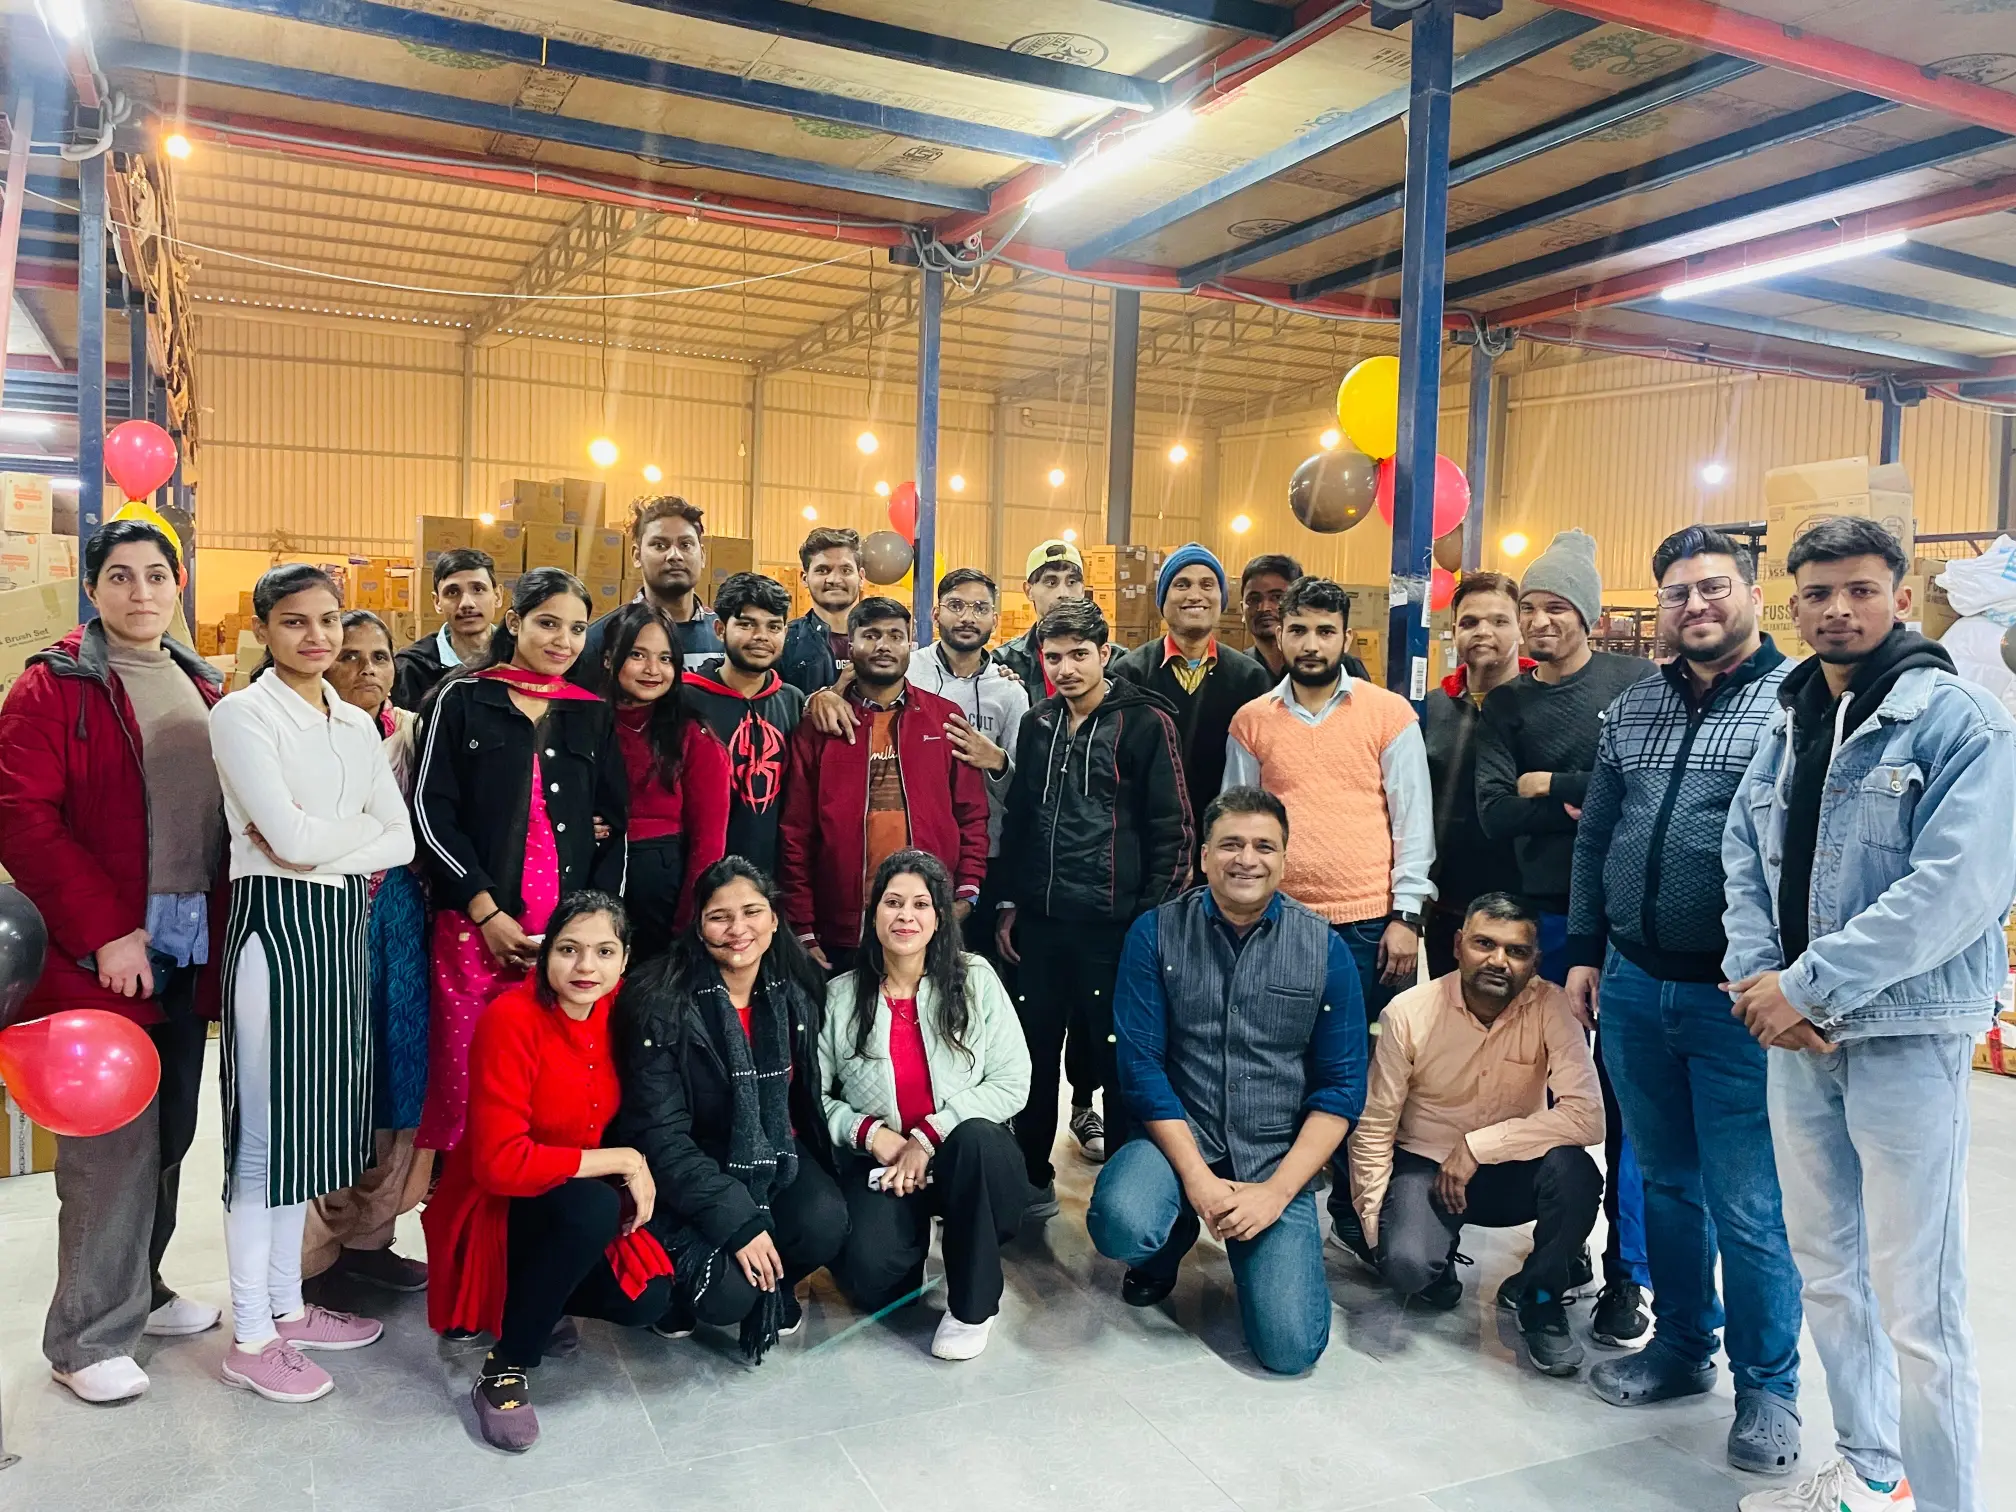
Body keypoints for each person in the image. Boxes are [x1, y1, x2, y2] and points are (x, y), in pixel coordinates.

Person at [1723, 515, 2016, 1512]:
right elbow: (1743, 854)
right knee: (1827, 1270)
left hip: (1903, 1036)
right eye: (1818, 593)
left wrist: (1805, 987)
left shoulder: (1962, 723)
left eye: (1859, 589)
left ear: (1899, 593)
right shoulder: (1788, 716)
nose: (1838, 609)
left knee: (1918, 1301)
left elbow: (1953, 892)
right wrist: (1761, 982)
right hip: (1794, 1041)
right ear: (1792, 603)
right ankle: (1870, 1470)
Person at [1564, 527, 1804, 1475]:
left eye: (1712, 588)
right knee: (1665, 1182)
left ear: (1752, 593)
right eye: (1676, 593)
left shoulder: (1797, 704)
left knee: (1747, 1202)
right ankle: (1680, 1347)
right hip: (1632, 982)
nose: (1694, 606)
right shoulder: (1634, 707)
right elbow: (1597, 837)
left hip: (1739, 997)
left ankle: (1769, 1390)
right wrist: (1586, 951)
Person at [0, 520, 227, 1404]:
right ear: (91, 589)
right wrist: (105, 933)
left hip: (187, 943)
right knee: (110, 1147)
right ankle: (85, 1337)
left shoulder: (199, 680)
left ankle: (145, 1288)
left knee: (171, 1132)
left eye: (157, 575)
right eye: (121, 576)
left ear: (178, 585)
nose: (141, 592)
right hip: (99, 950)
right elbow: (23, 819)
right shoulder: (54, 686)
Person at [209, 565, 415, 1403]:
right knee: (263, 1140)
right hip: (276, 931)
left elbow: (399, 839)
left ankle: (287, 1306)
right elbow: (287, 843)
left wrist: (311, 839)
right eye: (295, 622)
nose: (317, 637)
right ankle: (250, 1333)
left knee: (308, 1133)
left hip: (338, 932)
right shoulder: (242, 714)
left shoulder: (356, 723)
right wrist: (334, 836)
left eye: (328, 620)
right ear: (264, 629)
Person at [1089, 788, 1365, 1375]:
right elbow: (1141, 1069)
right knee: (1123, 1222)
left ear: (1284, 859)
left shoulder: (1325, 949)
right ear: (1204, 856)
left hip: (1272, 1153)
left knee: (1290, 1350)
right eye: (1231, 844)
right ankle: (1167, 1243)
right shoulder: (1155, 933)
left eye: (1264, 846)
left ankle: (1257, 1246)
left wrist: (1277, 1193)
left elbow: (1342, 1088)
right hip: (1179, 1137)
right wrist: (1197, 1180)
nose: (1247, 859)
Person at [1473, 527, 1655, 1347]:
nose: (1541, 622)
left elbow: (1644, 786)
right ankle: (1563, 1248)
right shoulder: (1508, 705)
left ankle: (1630, 1273)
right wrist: (1582, 803)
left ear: (1588, 614)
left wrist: (1553, 782)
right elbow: (1494, 812)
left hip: (1627, 923)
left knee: (1630, 1105)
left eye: (1557, 607)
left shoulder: (1634, 683)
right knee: (1551, 1098)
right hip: (1542, 919)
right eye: (1531, 607)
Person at [423, 893, 672, 1453]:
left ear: (625, 959)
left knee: (647, 1299)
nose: (586, 967)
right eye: (568, 949)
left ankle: (538, 1299)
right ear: (545, 953)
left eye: (604, 951)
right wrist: (624, 1161)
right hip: (497, 1203)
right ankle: (505, 1367)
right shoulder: (511, 1019)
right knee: (595, 1207)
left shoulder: (617, 1010)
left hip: (565, 1200)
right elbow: (499, 1164)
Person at [412, 568, 630, 1154]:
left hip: (565, 940)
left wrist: (595, 931)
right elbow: (431, 813)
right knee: (469, 1087)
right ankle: (469, 1206)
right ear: (514, 622)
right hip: (476, 928)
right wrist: (486, 912)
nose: (563, 641)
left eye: (577, 629)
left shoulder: (589, 712)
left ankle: (540, 1202)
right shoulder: (463, 699)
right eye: (548, 623)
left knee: (550, 1090)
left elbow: (614, 826)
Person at [1346, 894, 1604, 1378]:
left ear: (1535, 961)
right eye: (1485, 944)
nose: (1498, 961)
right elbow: (1376, 1125)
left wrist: (1478, 1147)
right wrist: (1378, 1229)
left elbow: (1589, 1118)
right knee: (1406, 1267)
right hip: (1427, 1166)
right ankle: (1435, 1266)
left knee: (1576, 1173)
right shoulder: (1409, 1011)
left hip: (1514, 1171)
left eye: (1516, 951)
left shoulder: (1554, 1007)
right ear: (1458, 945)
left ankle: (1541, 1298)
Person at [996, 599, 1192, 1216]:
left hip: (1117, 929)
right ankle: (1030, 1177)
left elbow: (1174, 833)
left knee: (1119, 1061)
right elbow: (1021, 819)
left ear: (1105, 654)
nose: (1066, 669)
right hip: (1042, 925)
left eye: (1079, 654)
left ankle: (1125, 1198)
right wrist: (1012, 901)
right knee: (1031, 1054)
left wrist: (1151, 924)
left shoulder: (1146, 723)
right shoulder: (1037, 723)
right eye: (1054, 657)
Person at [610, 858, 848, 1360]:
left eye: (752, 912)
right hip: (685, 1165)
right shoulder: (661, 1001)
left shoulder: (796, 989)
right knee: (725, 1296)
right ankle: (680, 1288)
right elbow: (660, 1136)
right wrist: (739, 1220)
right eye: (719, 917)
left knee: (825, 1221)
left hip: (771, 1150)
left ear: (774, 919)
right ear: (699, 927)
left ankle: (772, 1281)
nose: (738, 929)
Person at [819, 850, 1032, 1361]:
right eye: (893, 903)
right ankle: (912, 1240)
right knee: (874, 1280)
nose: (905, 916)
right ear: (874, 913)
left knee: (976, 1137)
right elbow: (813, 1099)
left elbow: (1012, 1081)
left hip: (969, 1159)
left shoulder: (976, 978)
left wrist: (927, 1136)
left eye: (920, 904)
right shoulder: (840, 996)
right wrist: (870, 1134)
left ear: (939, 918)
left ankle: (973, 1304)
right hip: (885, 1166)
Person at [1223, 574, 1433, 1024]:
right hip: (1277, 919)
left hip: (1369, 927)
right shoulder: (1251, 722)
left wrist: (1406, 918)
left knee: (1363, 1053)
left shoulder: (1389, 715)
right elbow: (1236, 826)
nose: (1311, 645)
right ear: (1280, 634)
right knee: (1276, 1047)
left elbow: (1413, 822)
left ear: (1346, 638)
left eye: (1325, 631)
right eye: (1298, 630)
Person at [304, 610, 434, 1294]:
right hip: (326, 924)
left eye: (379, 657)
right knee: (329, 1086)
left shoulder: (417, 733)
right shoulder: (299, 734)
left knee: (397, 1080)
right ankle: (314, 1257)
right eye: (349, 656)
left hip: (401, 927)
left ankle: (370, 1239)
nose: (366, 670)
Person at [777, 597, 989, 973]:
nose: (884, 645)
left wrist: (967, 891)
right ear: (850, 645)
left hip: (928, 917)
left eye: (895, 635)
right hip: (842, 925)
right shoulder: (819, 727)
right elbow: (796, 831)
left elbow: (971, 813)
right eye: (871, 635)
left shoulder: (944, 719)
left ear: (910, 644)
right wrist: (803, 926)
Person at [1111, 543, 1271, 846]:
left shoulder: (1250, 678)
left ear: (1221, 599)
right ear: (1163, 599)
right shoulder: (1131, 673)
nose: (1195, 595)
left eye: (1207, 585)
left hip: (1225, 839)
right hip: (1146, 838)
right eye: (1182, 584)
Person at [600, 601, 731, 960]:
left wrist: (689, 922)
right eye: (637, 655)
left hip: (661, 892)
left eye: (665, 658)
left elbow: (709, 842)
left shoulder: (694, 736)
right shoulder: (584, 722)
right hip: (591, 879)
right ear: (609, 659)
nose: (652, 670)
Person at [1423, 572, 1531, 979]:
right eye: (1469, 622)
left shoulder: (1546, 705)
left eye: (1499, 621)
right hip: (1449, 906)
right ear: (1454, 631)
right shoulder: (1430, 710)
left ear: (1520, 628)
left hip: (1529, 910)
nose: (1483, 631)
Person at [683, 572, 807, 877]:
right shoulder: (686, 699)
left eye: (773, 626)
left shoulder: (793, 701)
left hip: (772, 877)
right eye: (747, 624)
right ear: (720, 629)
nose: (761, 636)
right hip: (699, 871)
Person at [575, 496, 722, 689]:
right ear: (637, 556)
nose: (674, 555)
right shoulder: (600, 639)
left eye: (685, 545)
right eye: (660, 545)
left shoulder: (725, 637)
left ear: (702, 555)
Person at [994, 538, 1127, 693]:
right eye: (1051, 583)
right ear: (1029, 590)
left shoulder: (1117, 661)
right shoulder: (1006, 662)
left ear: (1082, 589)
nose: (1063, 593)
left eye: (1072, 582)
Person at [392, 547, 498, 710]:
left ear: (497, 596)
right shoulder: (411, 669)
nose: (467, 603)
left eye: (478, 589)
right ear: (437, 602)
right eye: (453, 592)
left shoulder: (520, 657)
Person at [1237, 554, 1367, 683]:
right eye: (1253, 599)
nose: (1264, 607)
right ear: (1242, 609)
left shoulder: (1346, 668)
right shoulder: (1236, 672)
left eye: (1277, 597)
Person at [778, 526, 862, 696]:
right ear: (804, 578)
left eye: (845, 570)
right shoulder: (784, 642)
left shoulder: (882, 641)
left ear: (861, 577)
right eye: (822, 570)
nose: (834, 579)